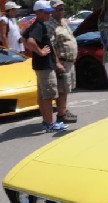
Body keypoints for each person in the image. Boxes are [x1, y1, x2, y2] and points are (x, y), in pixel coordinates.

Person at [23, 0, 68, 132]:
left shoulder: (37, 25)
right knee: (48, 96)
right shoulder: (39, 25)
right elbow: (31, 41)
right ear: (39, 12)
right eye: (47, 12)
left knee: (43, 96)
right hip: (45, 67)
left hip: (41, 66)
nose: (49, 15)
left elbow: (24, 38)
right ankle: (50, 123)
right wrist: (40, 51)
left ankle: (47, 122)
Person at [46, 0, 78, 123]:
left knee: (66, 88)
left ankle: (63, 110)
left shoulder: (63, 22)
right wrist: (57, 62)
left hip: (69, 61)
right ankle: (61, 114)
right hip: (62, 61)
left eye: (62, 9)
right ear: (51, 11)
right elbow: (51, 45)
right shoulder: (50, 25)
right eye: (58, 9)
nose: (61, 12)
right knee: (62, 89)